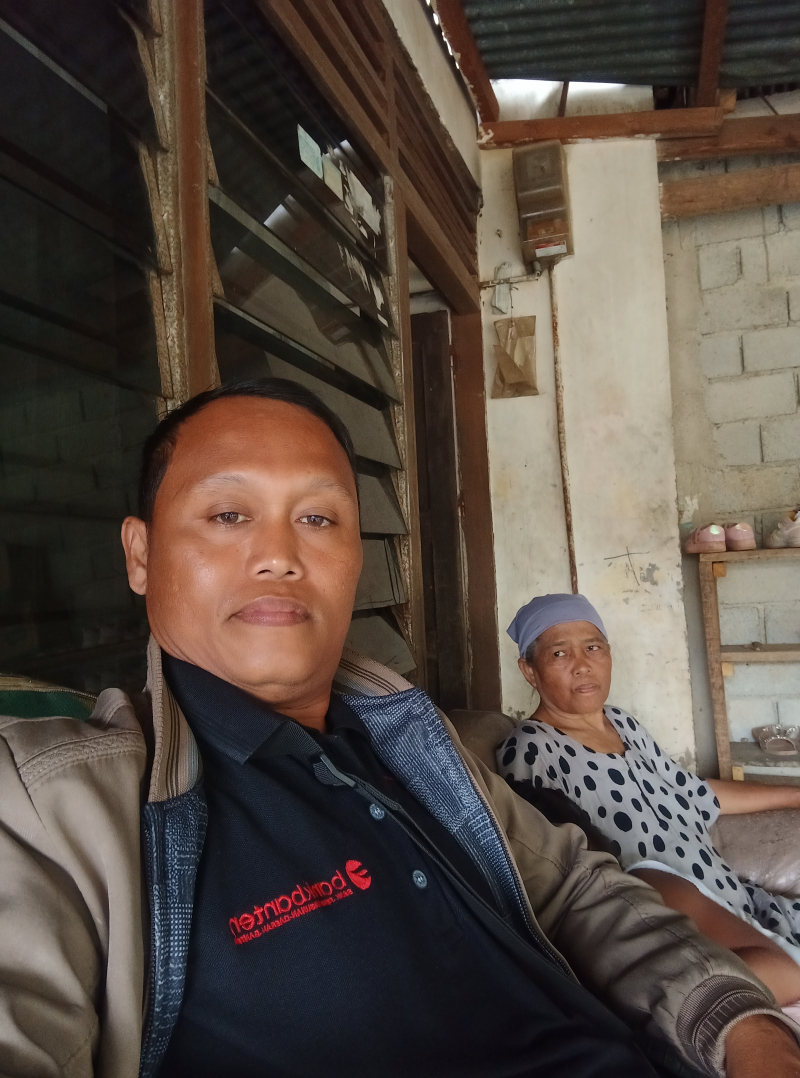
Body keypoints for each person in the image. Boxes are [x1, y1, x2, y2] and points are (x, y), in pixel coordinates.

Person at [1, 382, 799, 1078]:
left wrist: (745, 1031)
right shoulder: (54, 809)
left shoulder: (413, 743)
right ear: (140, 554)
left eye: (318, 517)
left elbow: (575, 889)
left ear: (356, 557)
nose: (278, 555)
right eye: (228, 514)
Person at [497, 593, 800, 1015]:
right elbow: (554, 868)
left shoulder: (624, 724)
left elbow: (696, 794)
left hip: (742, 903)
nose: (582, 665)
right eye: (559, 653)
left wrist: (795, 794)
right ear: (529, 670)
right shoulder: (531, 749)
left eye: (593, 647)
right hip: (675, 924)